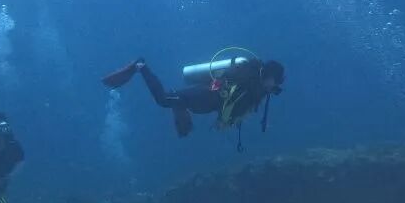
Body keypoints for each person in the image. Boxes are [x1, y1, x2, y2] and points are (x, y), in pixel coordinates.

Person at [100, 55, 285, 143]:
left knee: (172, 102)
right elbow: (227, 85)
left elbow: (238, 105)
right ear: (269, 75)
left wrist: (225, 120)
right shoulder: (249, 75)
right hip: (207, 94)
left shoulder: (258, 87)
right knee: (164, 99)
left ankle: (178, 105)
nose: (274, 86)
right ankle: (141, 66)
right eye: (275, 81)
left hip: (207, 103)